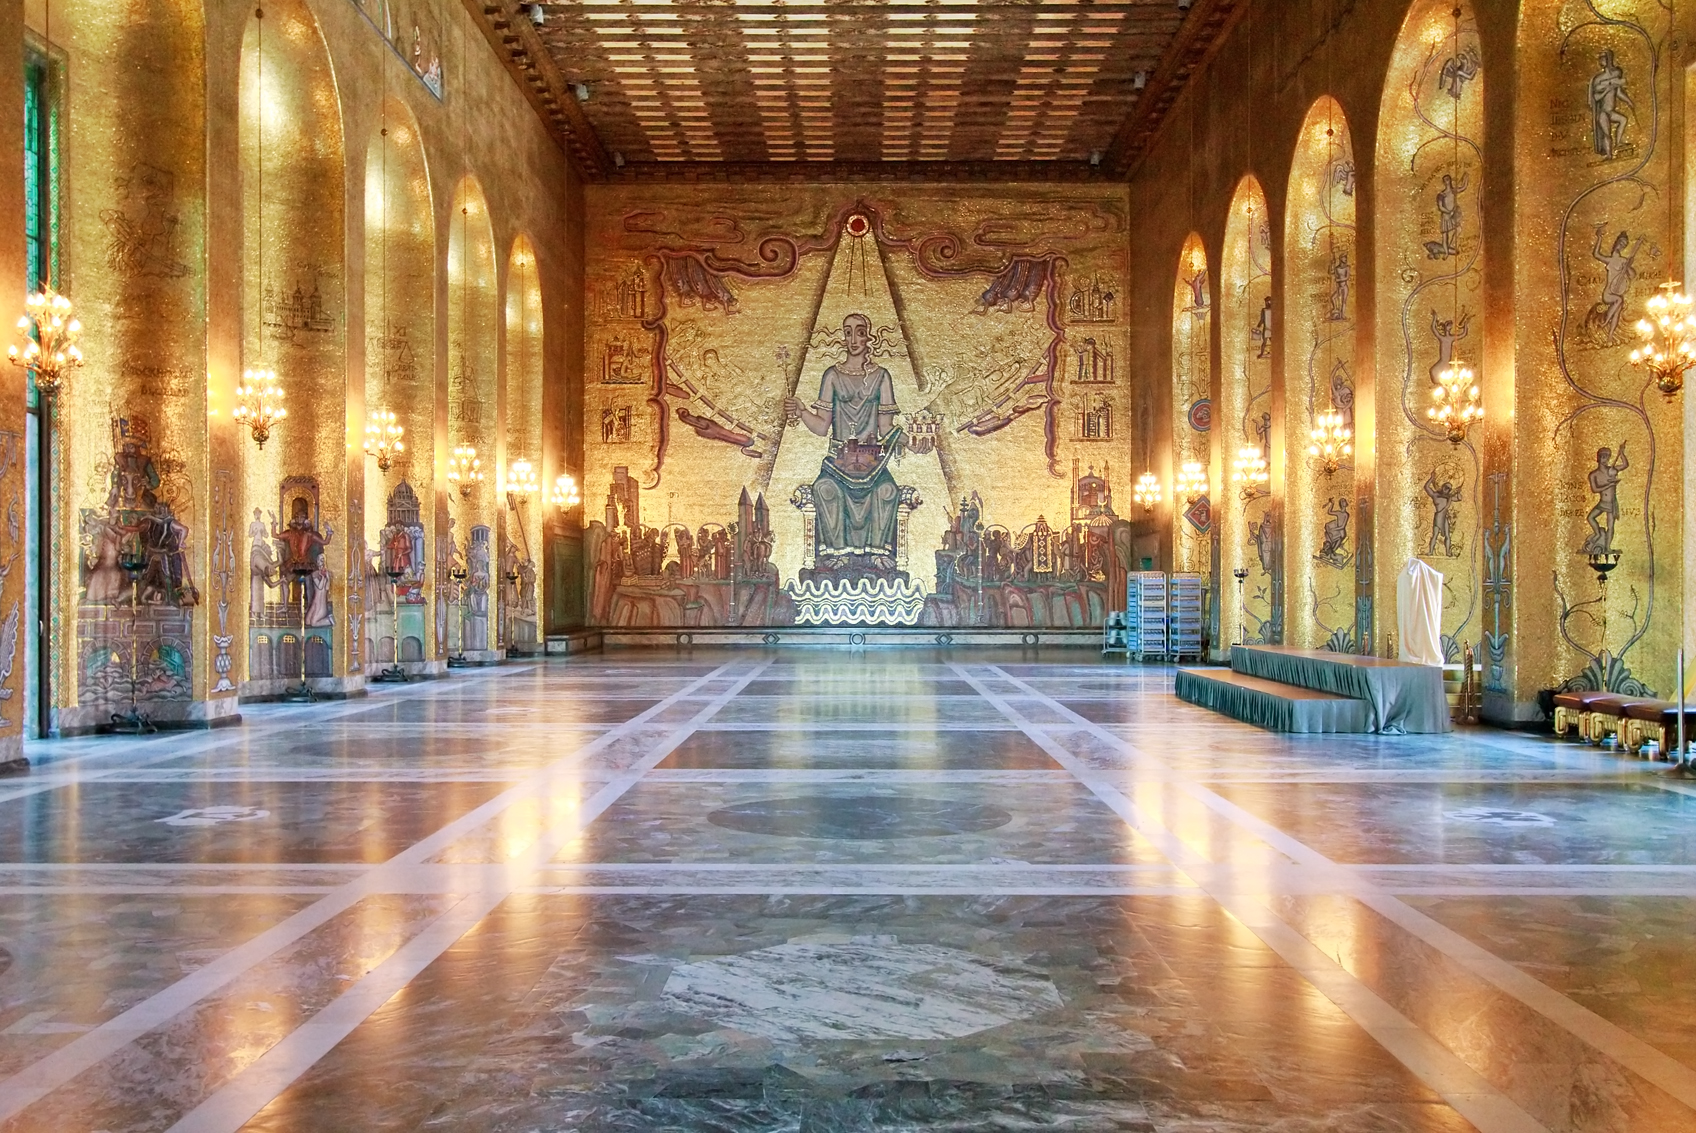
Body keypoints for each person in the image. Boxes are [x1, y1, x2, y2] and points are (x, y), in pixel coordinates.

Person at [782, 313, 933, 569]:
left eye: (860, 331)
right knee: (825, 489)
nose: (854, 338)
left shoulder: (881, 376)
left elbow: (886, 428)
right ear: (843, 336)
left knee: (887, 491)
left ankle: (878, 553)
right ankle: (838, 553)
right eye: (848, 332)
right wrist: (801, 411)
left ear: (869, 337)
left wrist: (911, 443)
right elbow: (821, 427)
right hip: (838, 462)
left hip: (871, 461)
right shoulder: (831, 375)